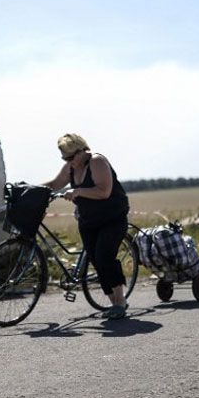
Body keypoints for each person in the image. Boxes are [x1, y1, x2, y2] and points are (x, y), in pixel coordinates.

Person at [43, 133, 131, 320]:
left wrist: (78, 191)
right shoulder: (71, 167)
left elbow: (104, 191)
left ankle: (120, 301)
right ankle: (113, 302)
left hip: (112, 218)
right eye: (64, 158)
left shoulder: (97, 162)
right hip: (89, 221)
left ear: (82, 150)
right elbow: (54, 184)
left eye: (71, 157)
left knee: (104, 256)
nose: (68, 161)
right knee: (96, 261)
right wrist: (31, 190)